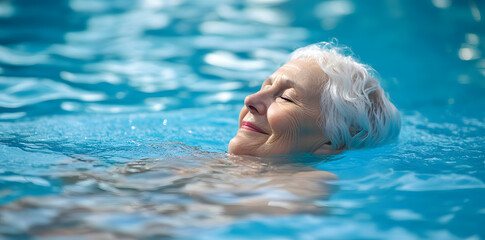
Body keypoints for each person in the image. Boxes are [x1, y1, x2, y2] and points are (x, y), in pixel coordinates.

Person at [229, 42, 401, 156]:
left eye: (286, 98)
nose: (250, 100)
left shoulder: (305, 185)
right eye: (264, 87)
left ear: (333, 141)